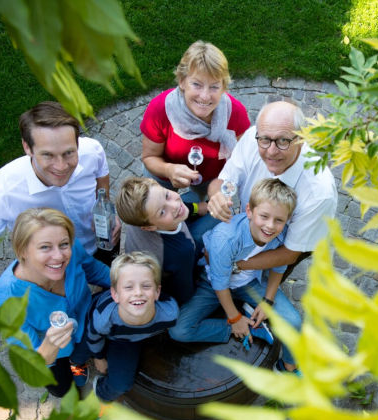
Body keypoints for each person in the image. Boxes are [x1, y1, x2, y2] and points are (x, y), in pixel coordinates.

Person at [0, 101, 120, 293]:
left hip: (102, 245)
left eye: (69, 153)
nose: (61, 166)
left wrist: (105, 207)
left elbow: (101, 173)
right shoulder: (2, 190)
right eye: (48, 155)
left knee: (112, 285)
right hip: (53, 266)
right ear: (27, 147)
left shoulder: (92, 150)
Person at [169, 179, 302, 374]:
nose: (270, 226)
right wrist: (234, 319)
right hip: (213, 284)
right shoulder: (227, 238)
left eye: (279, 220)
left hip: (249, 283)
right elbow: (219, 282)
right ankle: (245, 325)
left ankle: (288, 367)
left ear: (287, 219)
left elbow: (278, 266)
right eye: (264, 216)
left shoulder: (283, 235)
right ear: (249, 211)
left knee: (294, 321)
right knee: (179, 330)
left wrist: (268, 300)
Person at [0, 208, 111, 397]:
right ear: (22, 251)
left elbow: (94, 271)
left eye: (63, 244)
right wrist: (47, 350)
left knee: (82, 353)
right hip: (54, 353)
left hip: (86, 323)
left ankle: (77, 364)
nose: (59, 256)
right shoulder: (5, 301)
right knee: (61, 389)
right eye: (45, 247)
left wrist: (126, 285)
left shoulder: (73, 250)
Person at [140, 40, 251, 248]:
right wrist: (168, 169)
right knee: (155, 217)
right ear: (182, 81)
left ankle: (189, 246)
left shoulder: (236, 115)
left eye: (214, 86)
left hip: (214, 180)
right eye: (197, 84)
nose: (205, 96)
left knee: (203, 231)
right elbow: (149, 158)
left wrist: (217, 193)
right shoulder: (160, 109)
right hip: (165, 175)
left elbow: (238, 165)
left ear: (224, 87)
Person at [207, 100, 337, 276]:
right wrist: (216, 196)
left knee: (266, 283)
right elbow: (224, 182)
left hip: (286, 243)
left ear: (301, 139)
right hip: (246, 227)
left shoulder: (320, 193)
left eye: (283, 141)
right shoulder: (254, 137)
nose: (271, 151)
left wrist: (234, 265)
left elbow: (290, 253)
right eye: (265, 140)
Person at [86, 251, 179, 402]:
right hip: (116, 337)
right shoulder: (104, 318)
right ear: (115, 294)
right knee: (118, 384)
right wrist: (99, 357)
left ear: (157, 292)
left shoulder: (170, 314)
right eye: (129, 287)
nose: (138, 293)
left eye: (146, 286)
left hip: (136, 337)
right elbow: (93, 337)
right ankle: (101, 393)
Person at [116, 176, 206, 305]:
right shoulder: (179, 253)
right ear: (149, 227)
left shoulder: (141, 212)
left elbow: (173, 206)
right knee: (220, 214)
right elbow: (184, 291)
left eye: (167, 195)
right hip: (174, 277)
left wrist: (197, 208)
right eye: (162, 212)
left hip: (170, 234)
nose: (175, 205)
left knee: (197, 197)